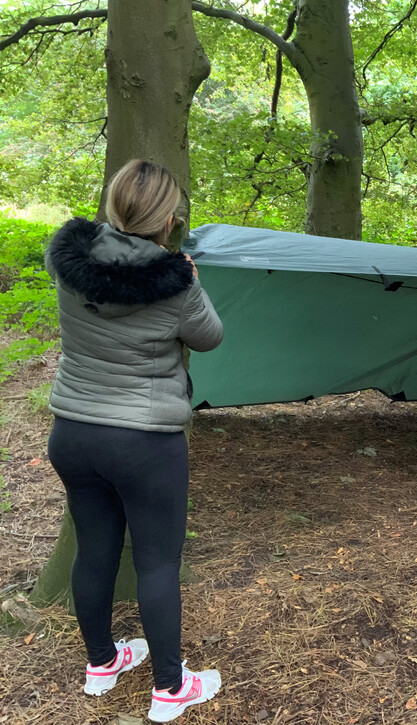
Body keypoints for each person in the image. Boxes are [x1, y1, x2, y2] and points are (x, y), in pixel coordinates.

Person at [44, 159, 224, 723]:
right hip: (144, 441)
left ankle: (102, 663)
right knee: (155, 563)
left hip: (72, 432)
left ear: (113, 201)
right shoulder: (176, 281)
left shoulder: (66, 261)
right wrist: (188, 276)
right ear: (168, 218)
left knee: (94, 547)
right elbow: (210, 338)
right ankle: (171, 690)